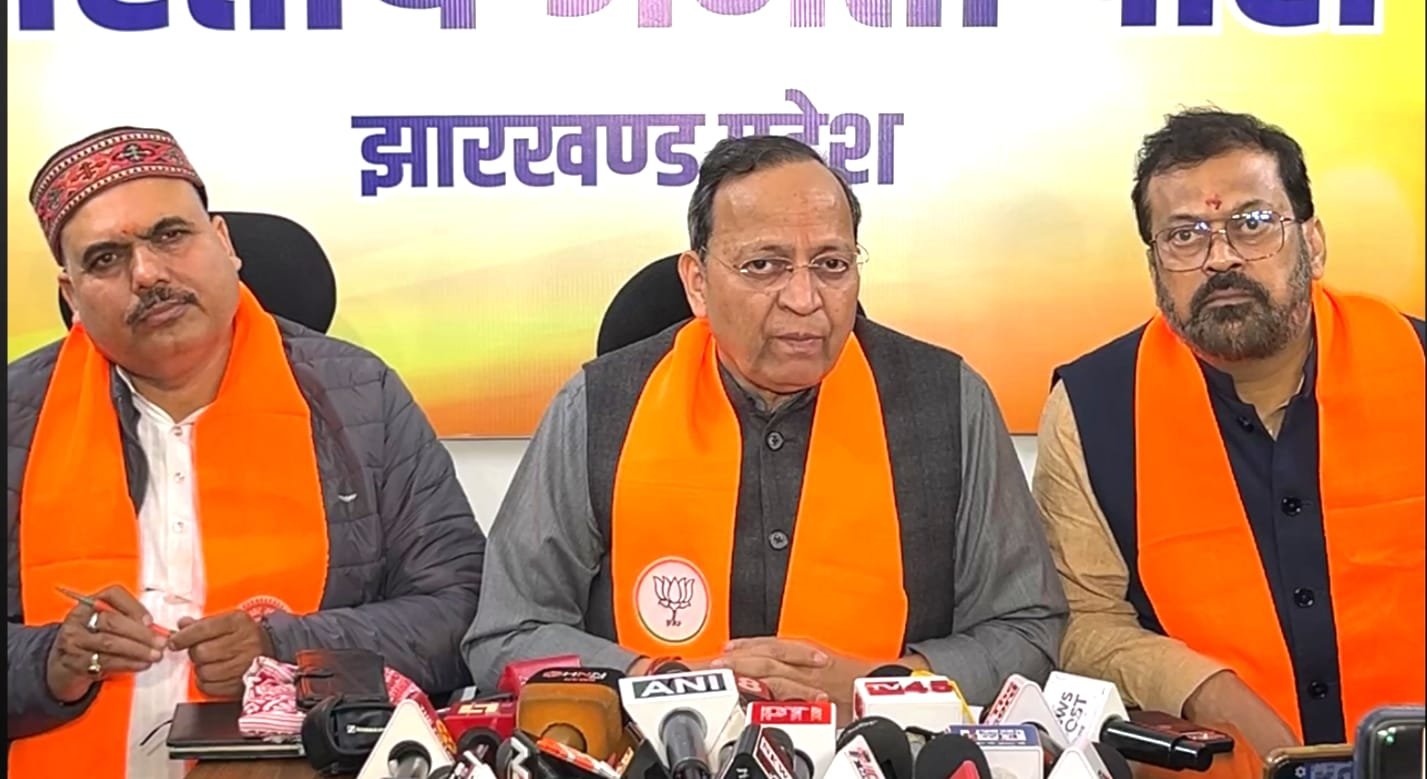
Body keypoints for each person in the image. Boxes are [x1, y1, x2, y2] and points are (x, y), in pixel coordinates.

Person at [463, 135, 1067, 715]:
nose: (804, 297)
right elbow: (508, 633)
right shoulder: (598, 405)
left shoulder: (949, 401)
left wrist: (881, 685)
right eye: (764, 265)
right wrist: (664, 683)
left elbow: (1027, 630)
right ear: (698, 283)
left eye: (831, 264)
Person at [6, 126, 487, 778]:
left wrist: (281, 647)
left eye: (170, 235)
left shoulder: (359, 398)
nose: (147, 274)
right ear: (71, 294)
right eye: (106, 259)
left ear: (224, 243)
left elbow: (459, 612)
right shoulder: (17, 415)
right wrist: (51, 660)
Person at [1033, 108, 1425, 756]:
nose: (1220, 258)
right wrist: (1203, 688)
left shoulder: (1416, 366)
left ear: (1313, 243)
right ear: (1155, 265)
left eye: (1251, 223)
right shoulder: (1092, 408)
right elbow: (1080, 618)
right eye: (1184, 236)